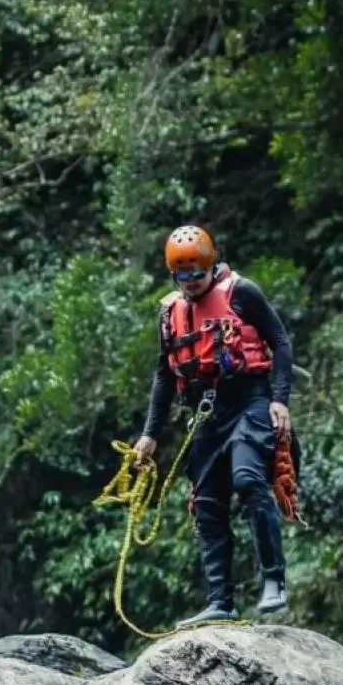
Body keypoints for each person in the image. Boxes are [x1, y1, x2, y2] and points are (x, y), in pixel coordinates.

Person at [132, 225, 294, 626]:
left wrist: (280, 399)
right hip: (206, 414)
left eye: (195, 275)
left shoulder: (242, 292)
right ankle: (219, 600)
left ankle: (274, 581)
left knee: (248, 479)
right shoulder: (170, 311)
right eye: (180, 276)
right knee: (205, 503)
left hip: (250, 401)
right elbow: (164, 375)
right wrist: (151, 433)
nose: (188, 284)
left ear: (210, 266)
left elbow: (281, 342)